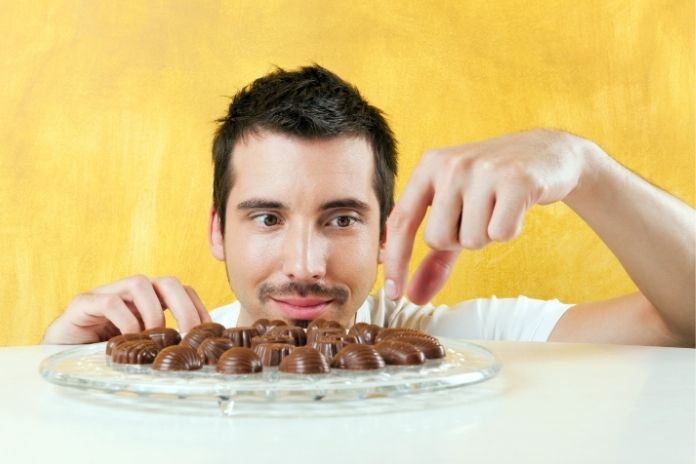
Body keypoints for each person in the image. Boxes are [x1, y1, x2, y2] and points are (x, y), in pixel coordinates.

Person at [42, 65, 695, 347]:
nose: (306, 264)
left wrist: (585, 167)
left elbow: (683, 327)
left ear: (388, 232)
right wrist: (45, 374)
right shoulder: (153, 362)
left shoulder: (457, 345)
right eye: (268, 217)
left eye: (342, 218)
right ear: (218, 231)